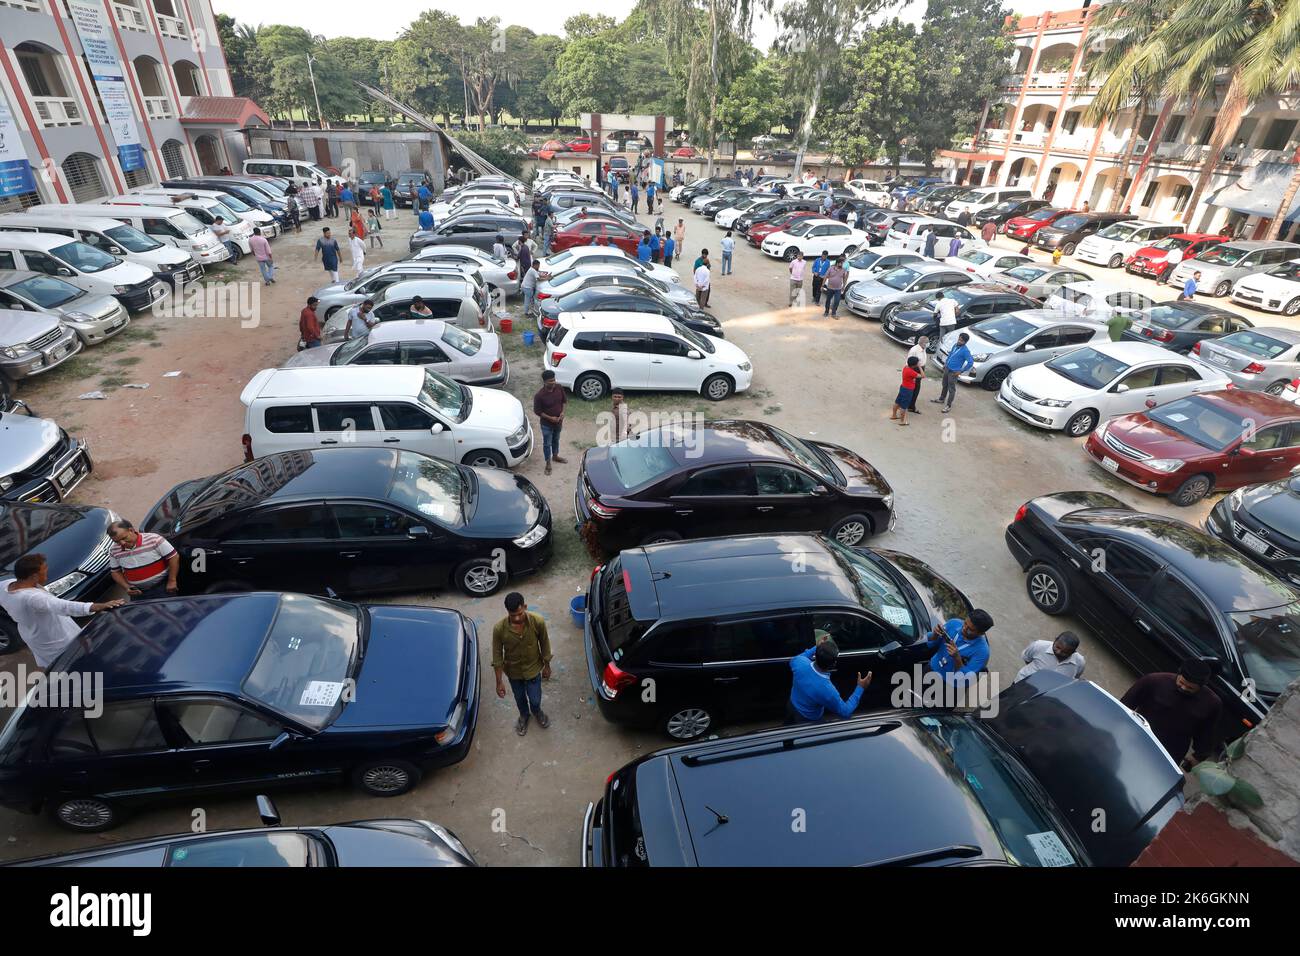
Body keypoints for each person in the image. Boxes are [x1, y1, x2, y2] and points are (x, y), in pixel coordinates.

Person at [0, 554, 124, 669]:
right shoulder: (32, 598)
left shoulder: (6, 585)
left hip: (34, 635)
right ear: (34, 577)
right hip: (56, 641)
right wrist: (101, 606)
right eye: (44, 572)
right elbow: (65, 606)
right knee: (72, 663)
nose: (46, 575)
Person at [1121, 661, 1223, 768]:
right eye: (1181, 683)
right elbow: (1125, 705)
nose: (1183, 688)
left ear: (1202, 686)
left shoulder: (1212, 703)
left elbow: (1207, 733)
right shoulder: (1153, 681)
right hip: (1137, 735)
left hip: (1171, 751)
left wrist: (1198, 756)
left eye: (1190, 688)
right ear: (1179, 674)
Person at [492, 592, 553, 736]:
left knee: (535, 699)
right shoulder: (499, 629)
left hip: (533, 669)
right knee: (519, 698)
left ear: (525, 607)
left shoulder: (538, 622)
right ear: (507, 612)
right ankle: (524, 716)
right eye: (513, 615)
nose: (517, 618)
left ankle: (537, 712)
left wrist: (547, 666)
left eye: (520, 613)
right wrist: (499, 682)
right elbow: (497, 656)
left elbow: (545, 644)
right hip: (513, 673)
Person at [786, 634, 872, 723]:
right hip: (808, 719)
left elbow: (800, 657)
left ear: (815, 654)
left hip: (792, 705)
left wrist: (818, 647)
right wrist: (860, 687)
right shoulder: (827, 690)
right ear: (833, 664)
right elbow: (845, 712)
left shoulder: (799, 663)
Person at [107, 519, 179, 599]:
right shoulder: (114, 550)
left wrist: (172, 581)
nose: (122, 543)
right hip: (137, 593)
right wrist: (127, 587)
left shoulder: (154, 539)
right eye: (117, 541)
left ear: (131, 530)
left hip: (162, 588)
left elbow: (173, 557)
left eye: (124, 538)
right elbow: (115, 572)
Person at [925, 609, 995, 685]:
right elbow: (930, 644)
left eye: (970, 629)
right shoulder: (953, 623)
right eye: (965, 623)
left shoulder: (983, 652)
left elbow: (965, 680)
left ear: (981, 633)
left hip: (949, 686)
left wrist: (957, 659)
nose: (964, 628)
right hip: (931, 668)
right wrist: (934, 635)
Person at [533, 370, 567, 475]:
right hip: (546, 425)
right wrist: (550, 418)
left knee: (556, 439)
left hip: (558, 422)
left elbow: (564, 401)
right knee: (547, 444)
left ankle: (555, 456)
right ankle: (548, 463)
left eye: (554, 380)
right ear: (544, 382)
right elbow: (537, 411)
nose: (553, 382)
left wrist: (562, 413)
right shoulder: (539, 395)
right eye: (550, 381)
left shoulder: (559, 388)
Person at [1016, 632, 1086, 682]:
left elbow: (1074, 678)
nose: (1058, 652)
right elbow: (1027, 658)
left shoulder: (1079, 662)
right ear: (1055, 640)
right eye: (1057, 647)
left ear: (1073, 652)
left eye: (1065, 652)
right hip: (1023, 682)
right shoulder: (1039, 645)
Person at [935, 331, 974, 414]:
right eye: (959, 339)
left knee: (951, 389)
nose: (959, 341)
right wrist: (946, 363)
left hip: (954, 372)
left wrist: (961, 371)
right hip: (947, 368)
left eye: (961, 341)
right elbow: (950, 355)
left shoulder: (965, 351)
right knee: (944, 385)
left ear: (965, 342)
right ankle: (941, 399)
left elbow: (970, 362)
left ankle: (948, 405)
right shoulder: (955, 345)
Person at [891, 355, 922, 425]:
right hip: (908, 390)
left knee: (897, 402)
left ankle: (894, 415)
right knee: (904, 407)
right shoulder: (911, 372)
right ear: (914, 365)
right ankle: (902, 421)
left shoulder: (906, 368)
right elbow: (923, 376)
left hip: (903, 387)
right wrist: (920, 367)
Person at [906, 336, 929, 413]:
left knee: (916, 389)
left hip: (920, 368)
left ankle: (911, 405)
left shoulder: (923, 348)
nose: (929, 344)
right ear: (923, 343)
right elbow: (909, 363)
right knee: (913, 389)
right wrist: (913, 375)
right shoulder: (914, 350)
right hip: (915, 370)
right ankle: (910, 406)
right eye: (927, 342)